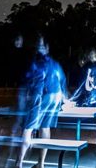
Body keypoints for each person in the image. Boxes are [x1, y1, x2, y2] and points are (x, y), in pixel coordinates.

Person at [15, 35, 66, 168]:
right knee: (45, 127)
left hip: (42, 94)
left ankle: (18, 163)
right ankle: (41, 163)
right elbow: (62, 82)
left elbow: (30, 82)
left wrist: (27, 98)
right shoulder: (55, 64)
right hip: (56, 95)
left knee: (28, 129)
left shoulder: (36, 62)